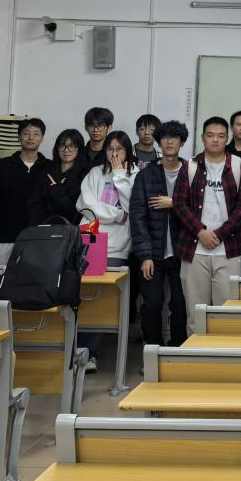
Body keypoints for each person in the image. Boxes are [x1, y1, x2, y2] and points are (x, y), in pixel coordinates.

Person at [172, 117, 241, 320]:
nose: (215, 140)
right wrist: (201, 232)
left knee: (227, 315)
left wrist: (219, 234)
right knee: (195, 314)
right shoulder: (190, 166)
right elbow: (179, 204)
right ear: (202, 138)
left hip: (229, 251)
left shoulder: (239, 166)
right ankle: (195, 344)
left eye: (220, 136)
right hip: (194, 251)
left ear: (227, 138)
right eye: (210, 135)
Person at [79, 129, 138, 368]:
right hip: (91, 241)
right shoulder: (95, 173)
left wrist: (120, 175)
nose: (114, 154)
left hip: (118, 246)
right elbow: (86, 205)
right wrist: (116, 215)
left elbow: (132, 205)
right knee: (87, 297)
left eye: (119, 149)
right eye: (110, 149)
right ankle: (86, 352)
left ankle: (94, 351)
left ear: (127, 151)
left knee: (105, 300)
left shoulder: (135, 174)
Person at [130, 120, 189, 348]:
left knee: (181, 304)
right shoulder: (145, 175)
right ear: (159, 142)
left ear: (182, 142)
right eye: (165, 138)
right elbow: (138, 216)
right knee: (152, 304)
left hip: (183, 252)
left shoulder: (191, 172)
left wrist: (174, 203)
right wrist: (145, 255)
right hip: (153, 253)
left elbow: (200, 209)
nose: (170, 142)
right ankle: (152, 351)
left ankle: (177, 349)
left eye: (175, 138)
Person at [0, 118, 49, 264]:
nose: (31, 137)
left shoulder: (49, 167)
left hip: (38, 238)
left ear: (42, 138)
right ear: (19, 137)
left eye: (36, 134)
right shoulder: (2, 166)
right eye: (26, 133)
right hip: (5, 237)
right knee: (1, 276)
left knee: (34, 277)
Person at [29, 129, 85, 225]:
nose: (66, 150)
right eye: (62, 145)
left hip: (69, 230)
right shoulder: (46, 172)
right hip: (43, 228)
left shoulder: (84, 176)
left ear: (79, 149)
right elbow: (34, 204)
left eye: (72, 146)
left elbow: (77, 214)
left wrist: (57, 191)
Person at [78, 107, 114, 172]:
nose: (95, 130)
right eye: (92, 125)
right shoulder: (78, 153)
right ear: (86, 127)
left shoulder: (113, 154)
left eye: (100, 126)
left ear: (109, 128)